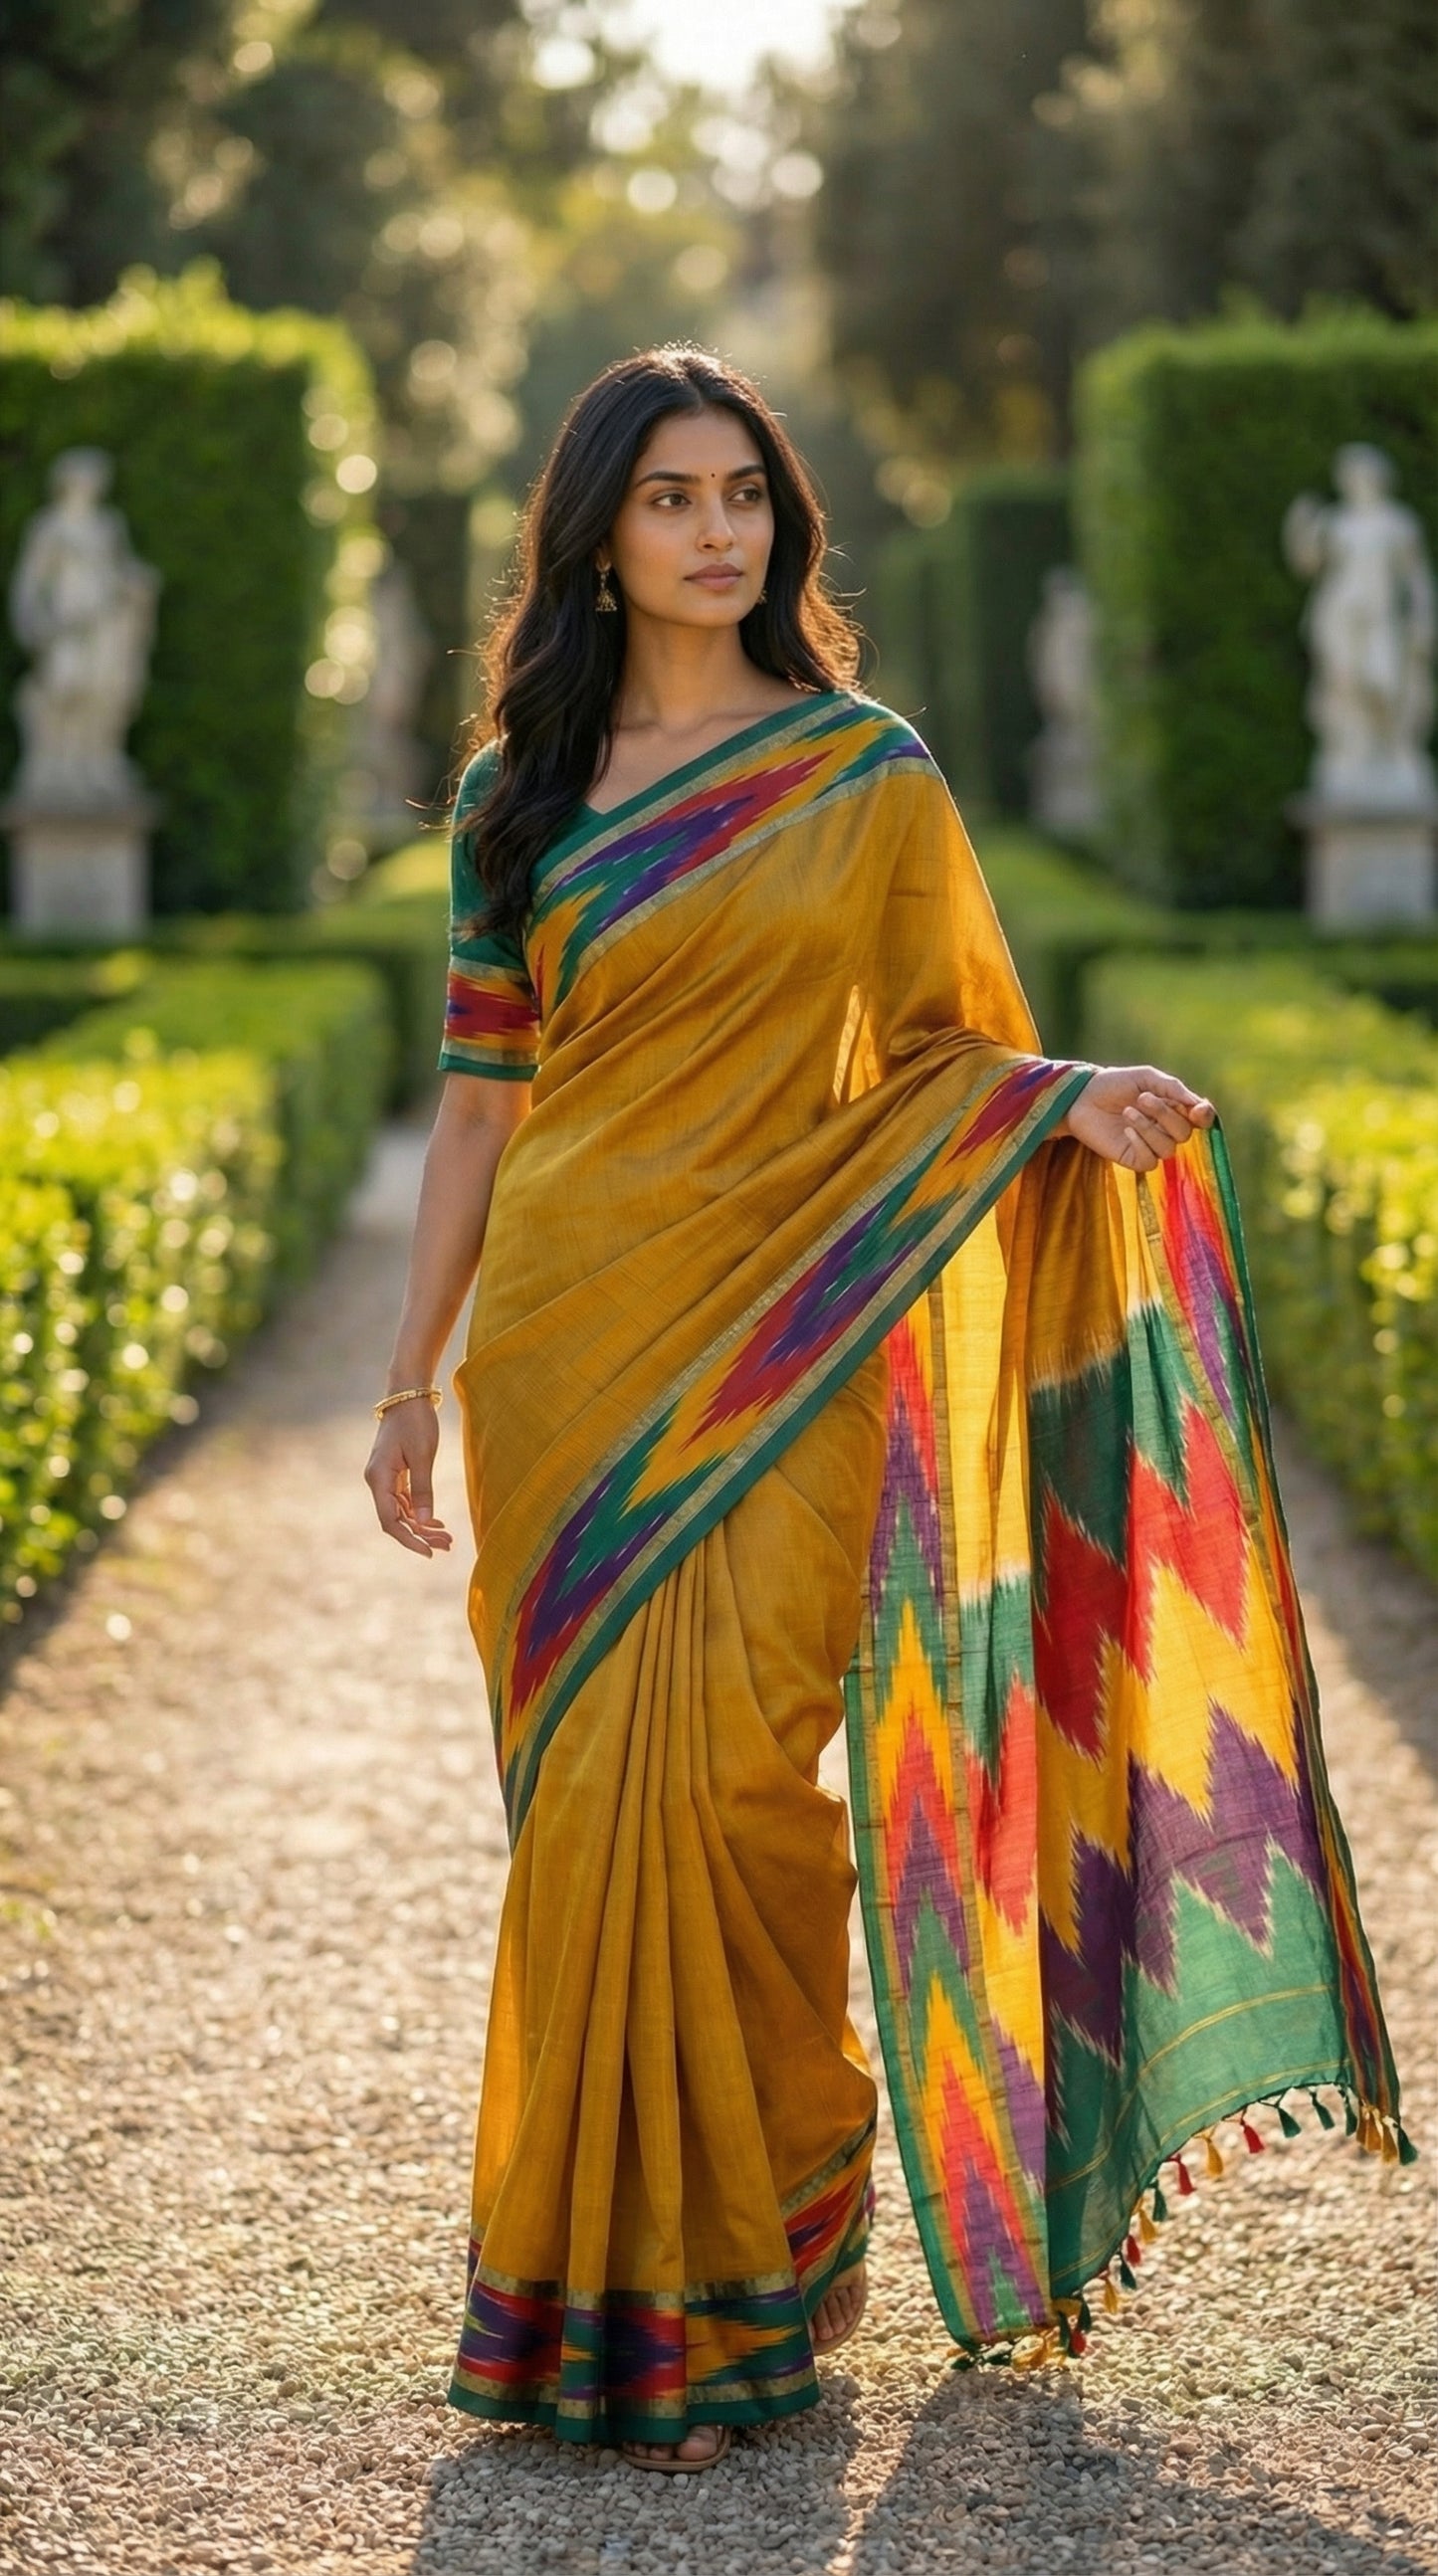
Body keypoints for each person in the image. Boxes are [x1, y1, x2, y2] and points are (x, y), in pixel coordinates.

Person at [365, 349, 1404, 2474]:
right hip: (571, 1342)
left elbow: (943, 1048)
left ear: (784, 520)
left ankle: (783, 2184)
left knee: (745, 1766)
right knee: (591, 1809)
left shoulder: (869, 773)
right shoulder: (518, 797)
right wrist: (409, 1377)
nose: (715, 529)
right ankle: (620, 2302)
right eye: (667, 497)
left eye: (743, 490)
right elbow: (484, 1098)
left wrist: (1067, 1097)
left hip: (791, 1336)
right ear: (597, 530)